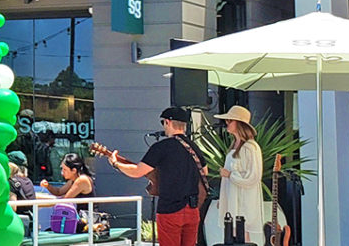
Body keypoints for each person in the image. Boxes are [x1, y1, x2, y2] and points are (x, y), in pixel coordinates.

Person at [108, 107, 208, 246]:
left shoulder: (161, 147)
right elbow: (205, 172)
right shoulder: (193, 147)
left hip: (170, 209)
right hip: (192, 209)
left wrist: (116, 164)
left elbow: (137, 171)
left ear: (168, 122)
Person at [214, 105, 264, 243]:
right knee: (233, 231)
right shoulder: (234, 145)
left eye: (230, 120)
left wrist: (230, 175)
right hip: (233, 199)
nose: (227, 124)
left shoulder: (250, 147)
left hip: (243, 201)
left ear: (239, 123)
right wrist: (224, 197)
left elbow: (253, 177)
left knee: (242, 232)